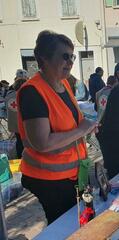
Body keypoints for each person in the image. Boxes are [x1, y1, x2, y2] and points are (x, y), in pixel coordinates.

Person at [17, 30, 98, 224]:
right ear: (44, 58)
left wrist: (88, 128)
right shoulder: (32, 92)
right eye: (64, 56)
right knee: (64, 228)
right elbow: (42, 143)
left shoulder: (64, 85)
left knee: (81, 223)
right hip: (49, 180)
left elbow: (70, 125)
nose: (70, 62)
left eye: (72, 56)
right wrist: (81, 130)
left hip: (73, 174)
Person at [5, 69, 29, 158]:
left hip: (14, 124)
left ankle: (19, 158)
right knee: (26, 141)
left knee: (19, 141)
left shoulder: (9, 92)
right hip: (23, 122)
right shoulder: (25, 92)